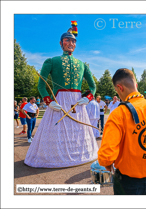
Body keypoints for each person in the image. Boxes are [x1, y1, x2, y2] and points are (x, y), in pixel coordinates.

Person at [24, 21, 98, 168]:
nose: (71, 43)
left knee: (78, 130)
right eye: (67, 40)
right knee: (57, 130)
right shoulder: (51, 61)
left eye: (73, 41)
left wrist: (88, 98)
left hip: (78, 102)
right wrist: (49, 101)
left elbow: (93, 86)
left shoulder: (82, 64)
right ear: (61, 43)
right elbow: (41, 85)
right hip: (58, 101)